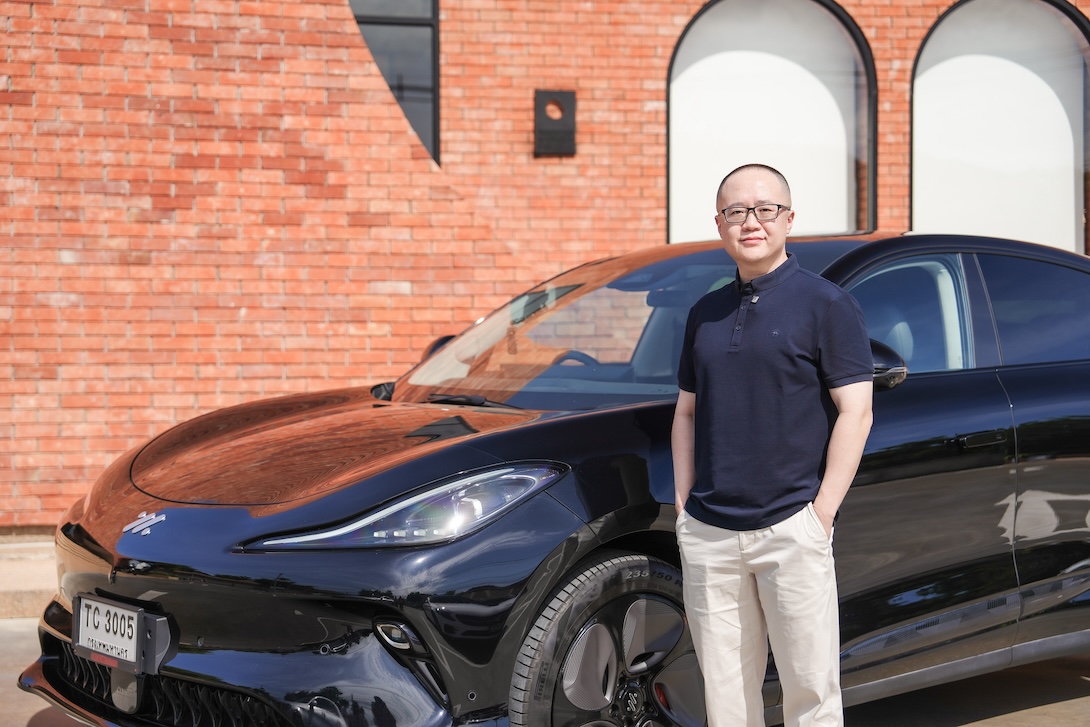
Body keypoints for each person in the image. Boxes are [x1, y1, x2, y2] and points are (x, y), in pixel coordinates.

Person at [672, 164, 874, 726]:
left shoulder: (826, 304)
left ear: (789, 218)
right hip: (710, 534)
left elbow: (856, 412)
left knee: (810, 696)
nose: (751, 222)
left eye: (765, 209)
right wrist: (686, 508)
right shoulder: (704, 313)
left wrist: (820, 515)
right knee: (726, 702)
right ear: (720, 224)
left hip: (792, 527)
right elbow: (685, 412)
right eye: (736, 211)